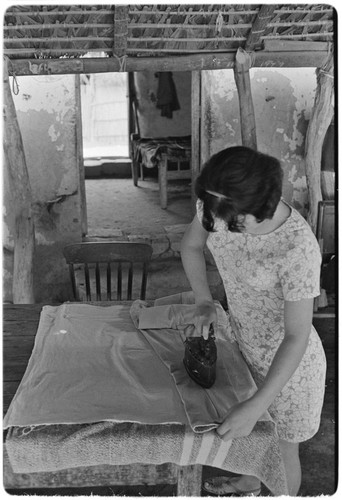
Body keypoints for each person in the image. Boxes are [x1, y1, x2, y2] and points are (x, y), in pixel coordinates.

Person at [180, 146, 327, 496]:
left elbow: (297, 335)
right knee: (249, 437)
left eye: (237, 221)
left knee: (279, 449)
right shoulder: (218, 206)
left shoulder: (297, 248)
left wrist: (257, 404)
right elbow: (190, 246)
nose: (224, 226)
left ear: (263, 206)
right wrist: (204, 301)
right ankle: (249, 482)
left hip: (290, 367)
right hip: (242, 344)